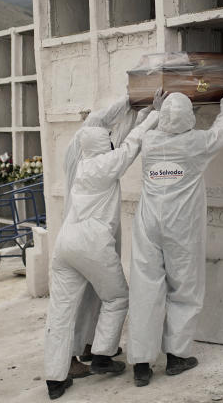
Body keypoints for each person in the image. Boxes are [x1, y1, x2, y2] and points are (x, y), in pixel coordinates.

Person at [43, 90, 166, 400]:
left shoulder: (82, 164)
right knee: (117, 298)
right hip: (91, 243)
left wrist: (137, 110)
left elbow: (121, 140)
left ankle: (55, 380)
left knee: (60, 313)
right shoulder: (106, 164)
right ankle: (101, 355)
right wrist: (155, 112)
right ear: (104, 144)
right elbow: (133, 142)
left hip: (65, 244)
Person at [126, 82, 223, 387]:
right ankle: (177, 357)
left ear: (164, 118)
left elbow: (139, 130)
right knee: (185, 288)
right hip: (181, 227)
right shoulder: (195, 143)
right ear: (189, 118)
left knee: (144, 289)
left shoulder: (150, 142)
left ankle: (141, 363)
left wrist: (153, 109)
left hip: (148, 224)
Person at [60, 96, 149, 379]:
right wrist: (132, 102)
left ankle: (90, 346)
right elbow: (123, 145)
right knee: (89, 296)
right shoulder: (85, 146)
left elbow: (117, 142)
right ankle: (72, 356)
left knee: (100, 294)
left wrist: (139, 111)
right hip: (88, 233)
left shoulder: (91, 149)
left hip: (88, 231)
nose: (111, 130)